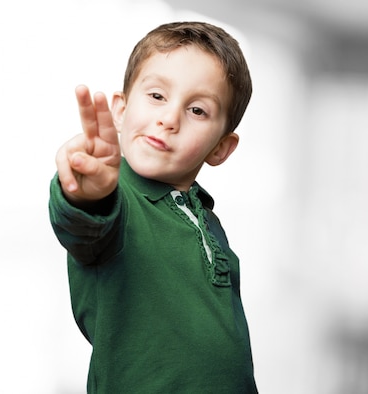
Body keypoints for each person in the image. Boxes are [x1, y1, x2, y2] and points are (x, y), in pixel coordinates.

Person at [48, 21, 257, 393]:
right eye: (157, 96)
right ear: (121, 110)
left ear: (220, 148)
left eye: (196, 110)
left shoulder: (206, 220)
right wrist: (86, 192)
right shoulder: (117, 204)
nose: (169, 118)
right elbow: (85, 222)